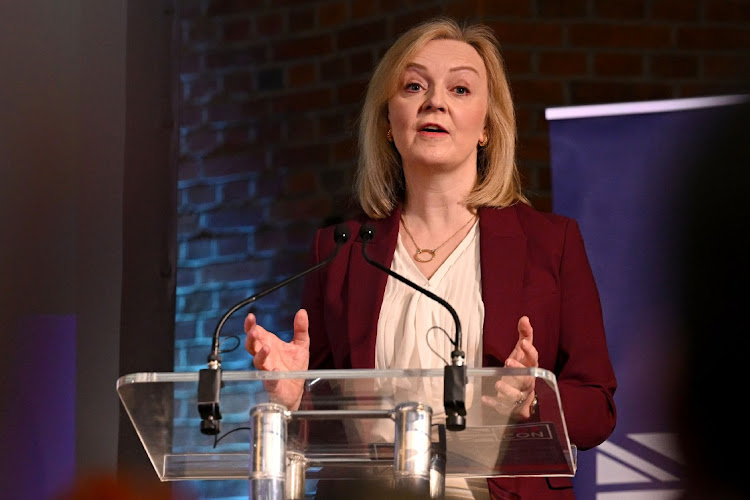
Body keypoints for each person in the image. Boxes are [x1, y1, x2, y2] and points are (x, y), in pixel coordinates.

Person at [245, 16, 617, 499]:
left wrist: (534, 399)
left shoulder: (551, 242)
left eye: (460, 89)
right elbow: (325, 430)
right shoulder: (340, 250)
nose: (435, 101)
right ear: (387, 122)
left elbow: (597, 407)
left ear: (487, 126)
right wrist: (296, 397)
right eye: (414, 85)